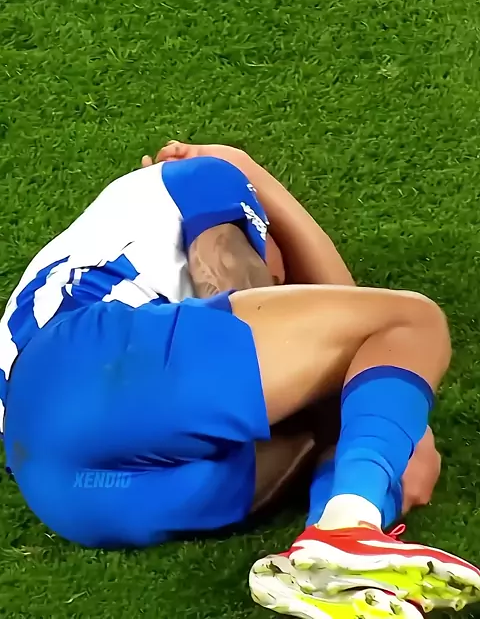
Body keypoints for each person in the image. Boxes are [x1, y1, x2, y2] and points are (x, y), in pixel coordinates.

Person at [0, 142, 478, 619]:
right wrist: (247, 170)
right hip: (81, 370)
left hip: (68, 492)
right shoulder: (200, 176)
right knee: (412, 321)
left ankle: (329, 569)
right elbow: (256, 289)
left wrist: (393, 433)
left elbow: (352, 342)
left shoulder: (107, 251)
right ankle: (348, 525)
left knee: (359, 428)